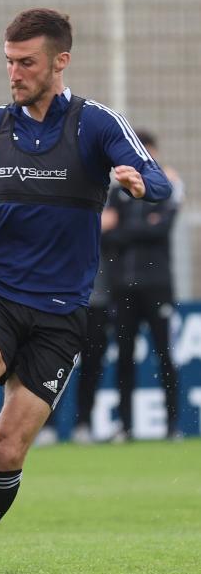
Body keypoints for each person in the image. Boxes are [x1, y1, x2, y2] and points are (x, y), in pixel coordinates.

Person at [0, 9, 172, 574]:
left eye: (25, 62)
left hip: (60, 313)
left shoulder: (96, 123)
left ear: (60, 61)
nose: (14, 72)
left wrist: (136, 181)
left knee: (7, 449)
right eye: (8, 60)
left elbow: (160, 183)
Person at [103, 130, 183, 442]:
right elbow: (105, 236)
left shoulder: (166, 187)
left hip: (158, 285)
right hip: (123, 286)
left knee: (165, 354)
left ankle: (172, 425)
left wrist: (123, 227)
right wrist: (137, 227)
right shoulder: (116, 192)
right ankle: (125, 426)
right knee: (124, 356)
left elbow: (161, 229)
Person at [69, 204, 118, 444]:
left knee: (92, 368)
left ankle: (83, 424)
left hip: (99, 303)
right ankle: (45, 426)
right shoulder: (66, 198)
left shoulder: (115, 203)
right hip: (64, 301)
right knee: (51, 367)